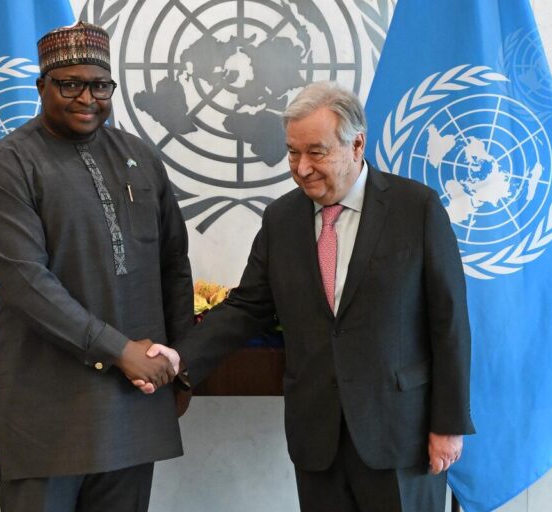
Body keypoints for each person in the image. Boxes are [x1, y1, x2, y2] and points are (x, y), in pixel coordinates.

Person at [149, 81, 475, 512]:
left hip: (400, 436)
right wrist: (180, 358)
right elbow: (248, 308)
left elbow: (448, 322)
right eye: (292, 152)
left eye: (316, 152)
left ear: (357, 144)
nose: (301, 168)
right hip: (317, 438)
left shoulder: (416, 209)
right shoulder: (281, 219)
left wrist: (447, 425)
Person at [0, 22, 189, 512]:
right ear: (41, 86)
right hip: (44, 411)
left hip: (133, 404)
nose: (87, 98)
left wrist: (181, 365)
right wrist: (121, 350)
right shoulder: (7, 166)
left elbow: (173, 263)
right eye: (69, 84)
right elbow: (27, 285)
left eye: (100, 85)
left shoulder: (140, 157)